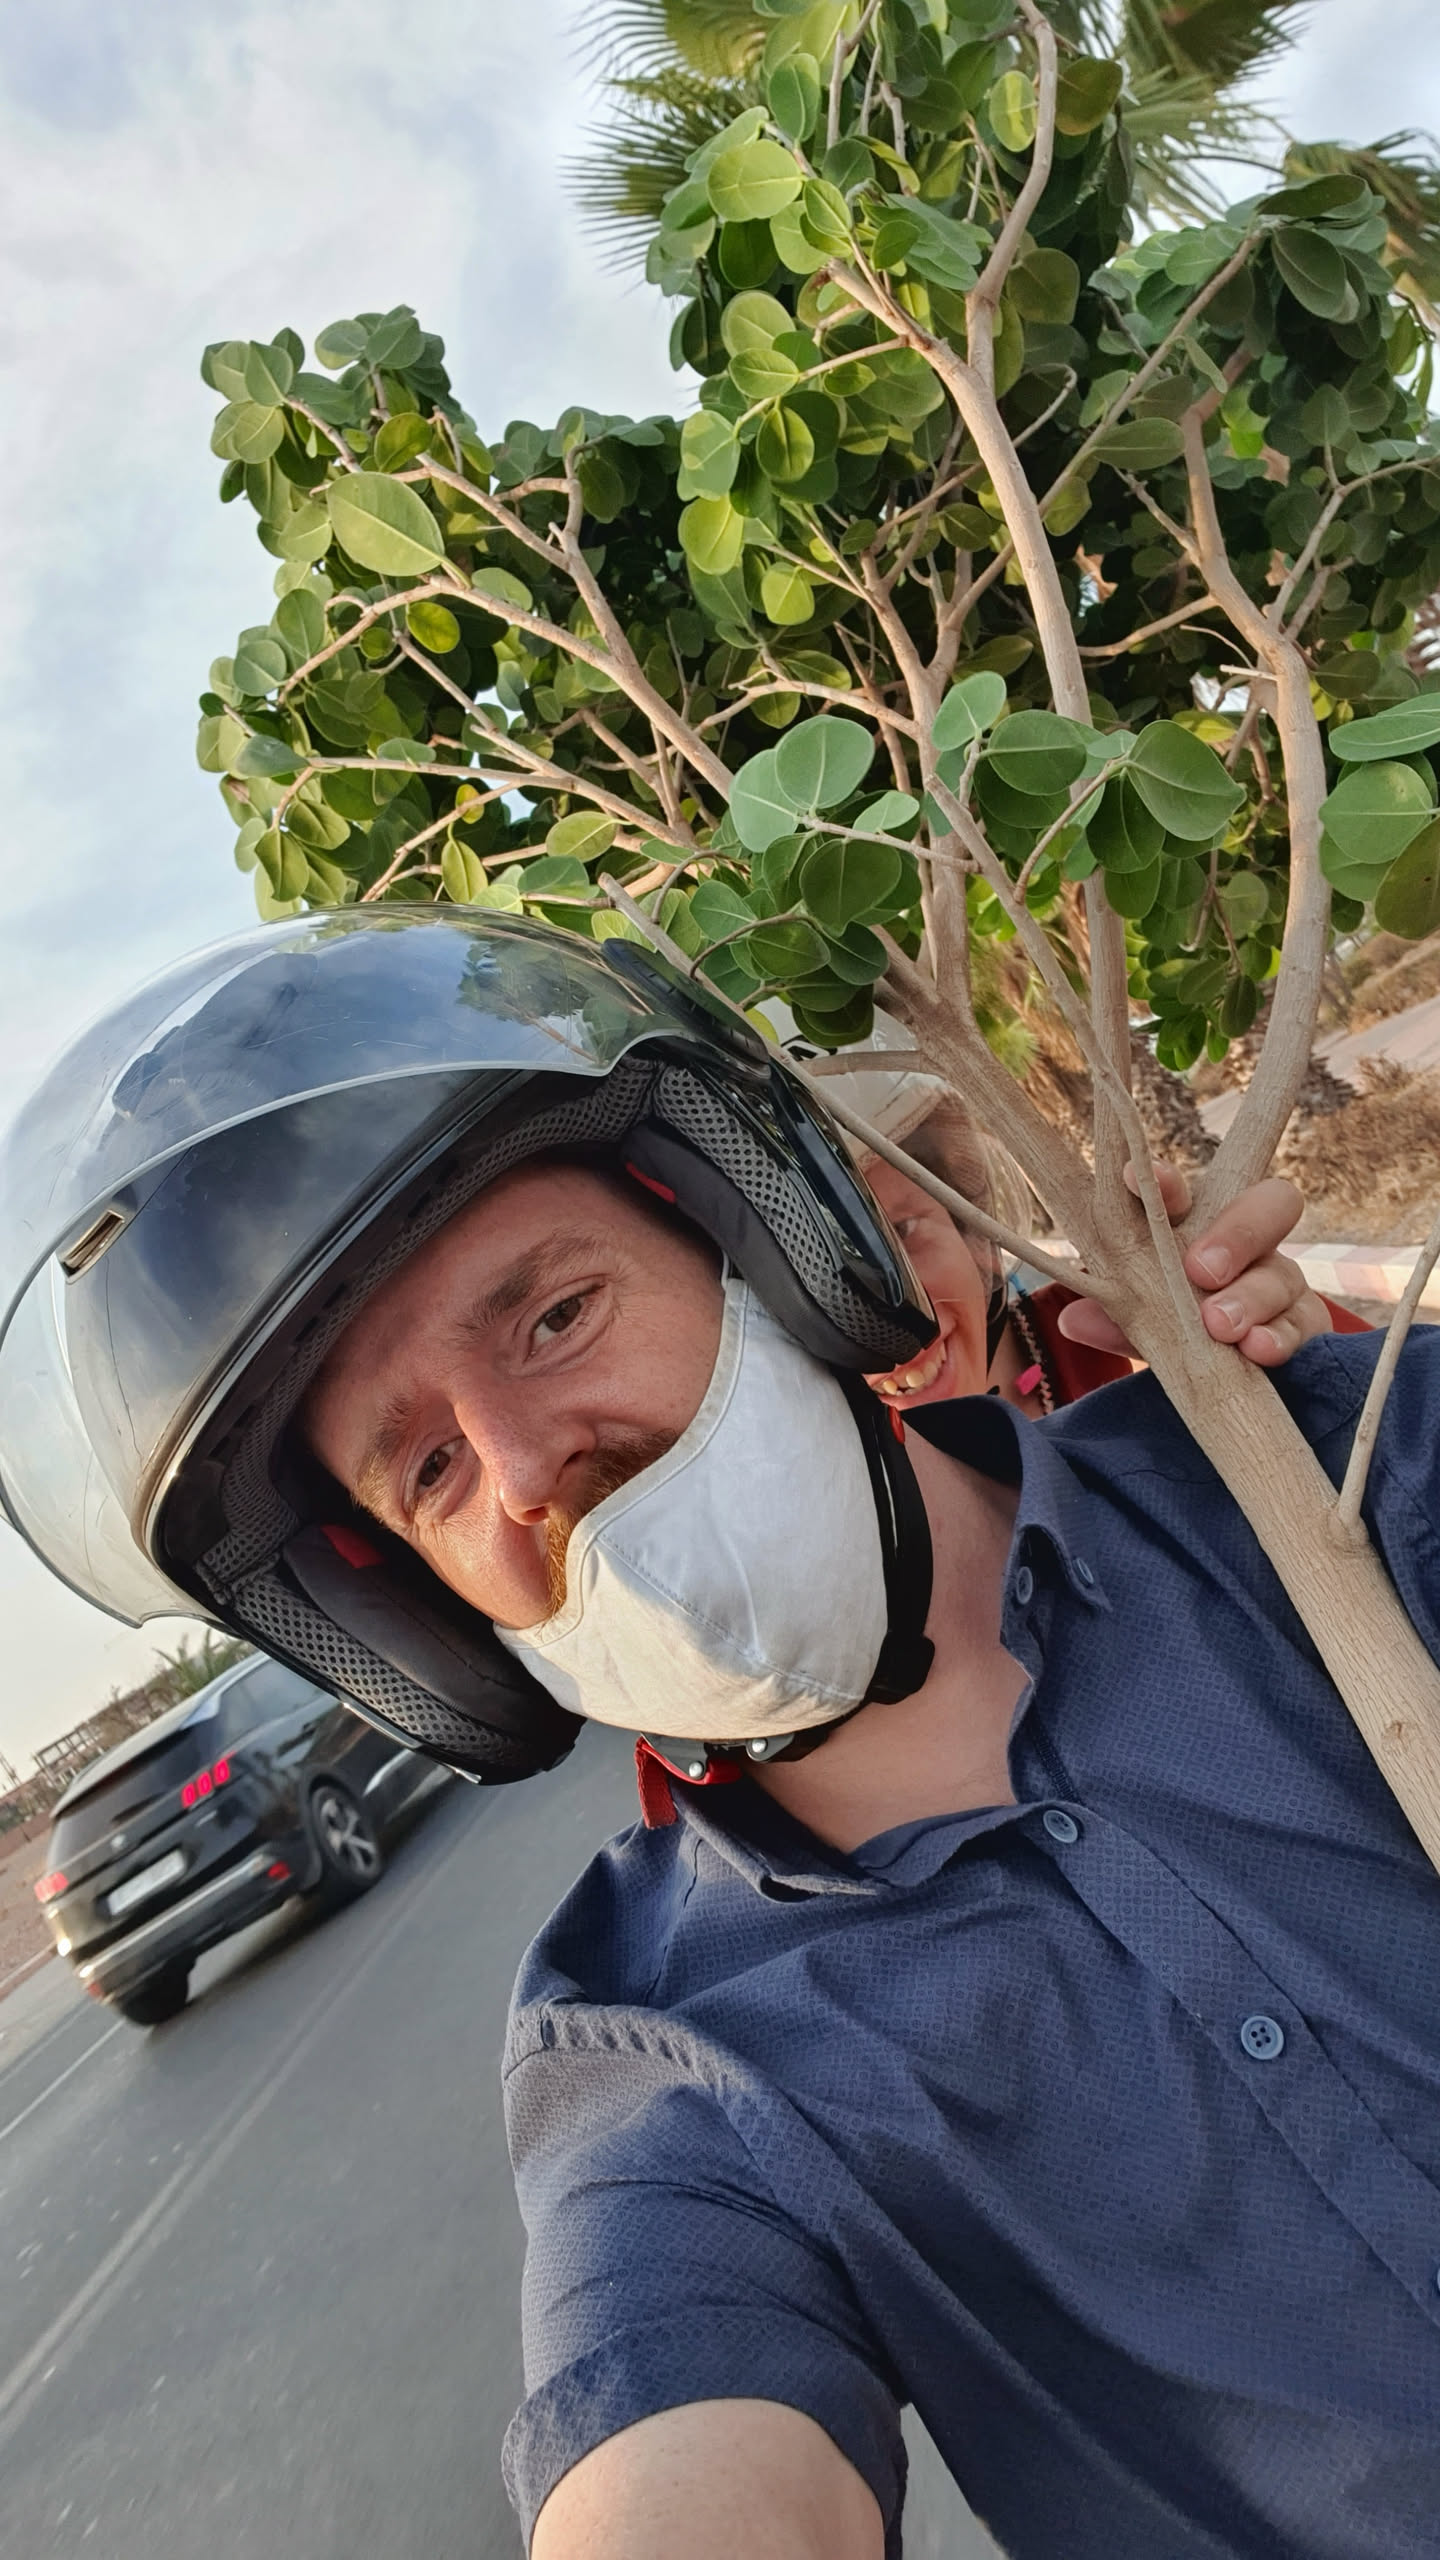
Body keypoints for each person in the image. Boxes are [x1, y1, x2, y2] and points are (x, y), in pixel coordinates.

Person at [2, 909, 1434, 2560]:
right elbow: (666, 2433)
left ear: (769, 1251)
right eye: (432, 1472)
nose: (524, 1466)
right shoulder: (660, 2062)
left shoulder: (1333, 1472)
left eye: (554, 1317)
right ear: (417, 1615)